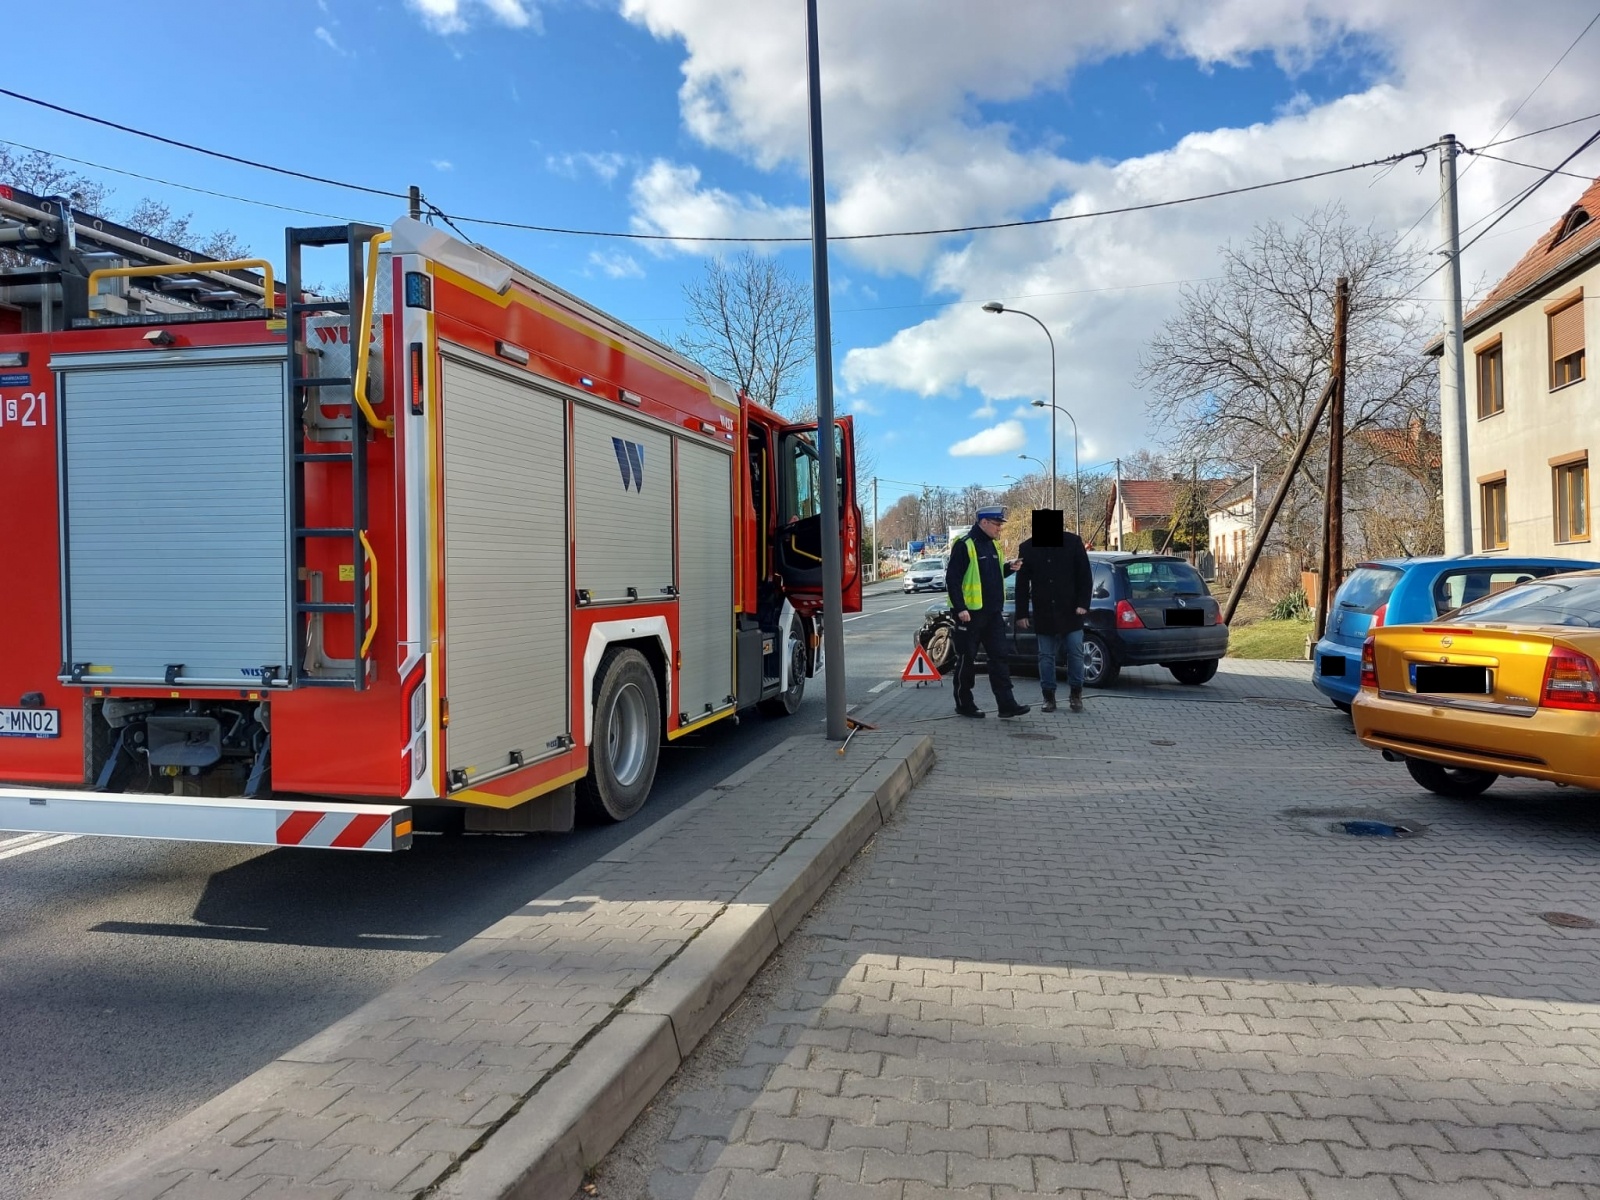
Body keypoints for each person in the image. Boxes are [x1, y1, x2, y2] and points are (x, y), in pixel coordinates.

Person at [944, 505, 1030, 719]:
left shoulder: (994, 546)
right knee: (966, 660)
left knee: (1000, 658)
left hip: (992, 615)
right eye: (997, 524)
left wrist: (1009, 567)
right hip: (970, 616)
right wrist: (960, 608)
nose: (999, 529)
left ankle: (1006, 705)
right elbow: (952, 579)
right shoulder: (965, 545)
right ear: (983, 523)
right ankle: (964, 704)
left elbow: (991, 575)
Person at [1015, 514, 1093, 712]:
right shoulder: (1027, 548)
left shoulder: (1072, 543)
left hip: (1071, 611)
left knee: (1075, 652)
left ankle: (1076, 693)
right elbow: (1022, 584)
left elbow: (1085, 575)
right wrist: (1021, 613)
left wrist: (1083, 603)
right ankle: (1048, 696)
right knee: (1045, 655)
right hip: (1044, 611)